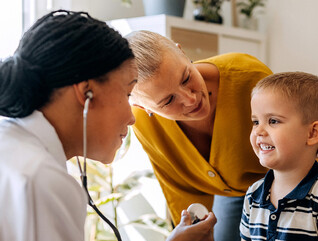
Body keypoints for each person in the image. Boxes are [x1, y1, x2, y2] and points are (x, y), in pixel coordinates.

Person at [0, 10, 216, 241]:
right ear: (86, 93)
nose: (132, 118)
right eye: (127, 93)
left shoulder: (13, 150)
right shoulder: (41, 181)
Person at [126, 30, 273, 241]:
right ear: (141, 106)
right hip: (227, 195)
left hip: (284, 183)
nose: (190, 99)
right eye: (168, 101)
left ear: (182, 52)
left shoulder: (249, 76)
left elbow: (299, 148)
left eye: (186, 78)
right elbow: (179, 188)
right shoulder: (142, 121)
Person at [240, 72, 318, 241]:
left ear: (312, 133)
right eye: (255, 122)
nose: (259, 131)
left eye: (273, 121)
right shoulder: (253, 194)